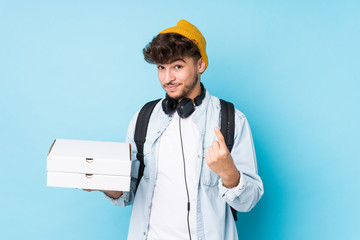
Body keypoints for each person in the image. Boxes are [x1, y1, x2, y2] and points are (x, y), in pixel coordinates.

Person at [102, 19, 264, 240]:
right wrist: (104, 184)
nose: (167, 78)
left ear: (200, 65)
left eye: (177, 66)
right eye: (161, 68)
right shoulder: (143, 118)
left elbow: (248, 202)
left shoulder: (231, 119)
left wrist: (229, 173)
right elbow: (126, 193)